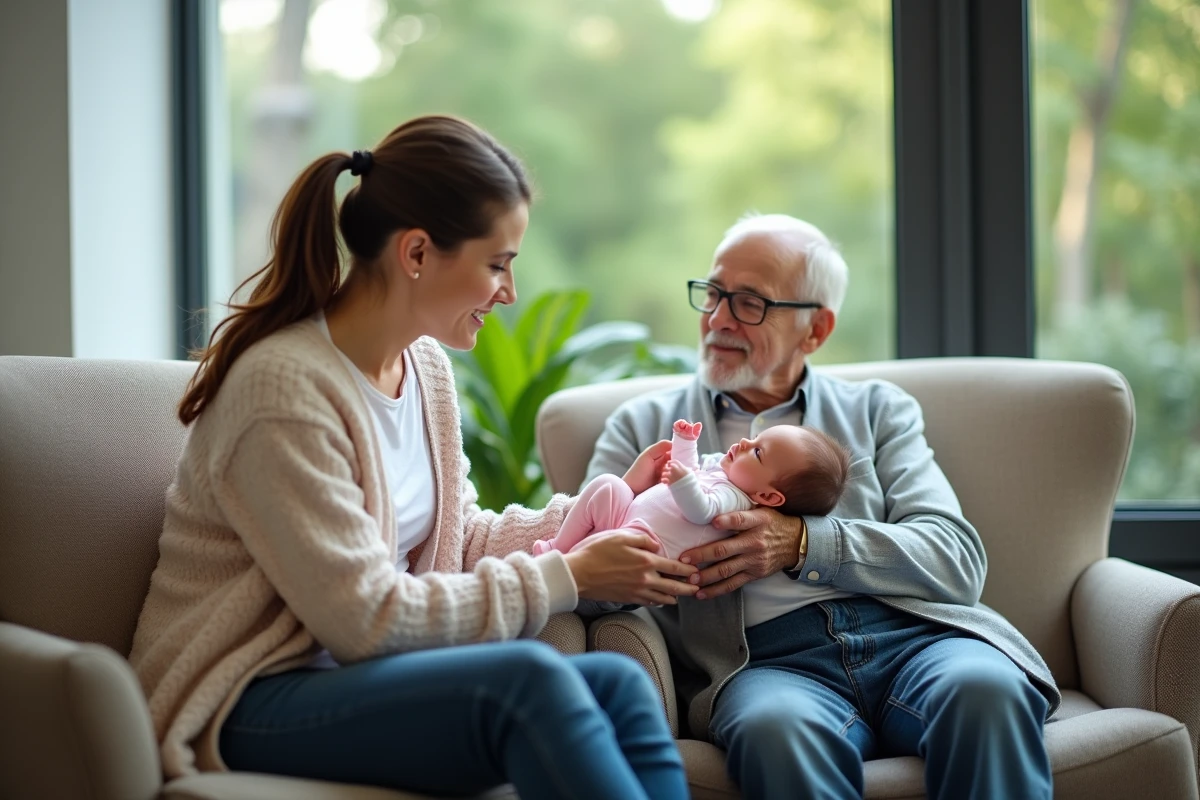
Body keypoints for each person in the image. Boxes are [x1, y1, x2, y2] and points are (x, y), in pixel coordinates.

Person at [128, 115, 696, 800]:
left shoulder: (423, 365)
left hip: (356, 681)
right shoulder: (282, 388)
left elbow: (456, 542)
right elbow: (365, 619)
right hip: (248, 697)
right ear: (418, 253)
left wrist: (600, 521)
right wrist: (567, 574)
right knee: (530, 685)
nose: (508, 293)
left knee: (620, 686)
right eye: (497, 264)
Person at [583, 213, 1059, 799]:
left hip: (914, 640)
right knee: (774, 732)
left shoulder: (879, 412)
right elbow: (587, 573)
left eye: (750, 302)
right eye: (713, 294)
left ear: (816, 329)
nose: (718, 318)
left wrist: (805, 543)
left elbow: (956, 559)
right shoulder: (641, 428)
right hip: (766, 667)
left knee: (987, 692)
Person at [535, 419, 850, 560]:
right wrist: (685, 443)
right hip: (627, 514)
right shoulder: (723, 474)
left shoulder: (736, 500)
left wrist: (682, 481)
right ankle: (558, 546)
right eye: (754, 438)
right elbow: (692, 469)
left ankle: (566, 564)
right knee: (609, 484)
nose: (744, 443)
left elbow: (701, 510)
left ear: (767, 497)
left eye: (756, 452)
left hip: (643, 543)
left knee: (610, 544)